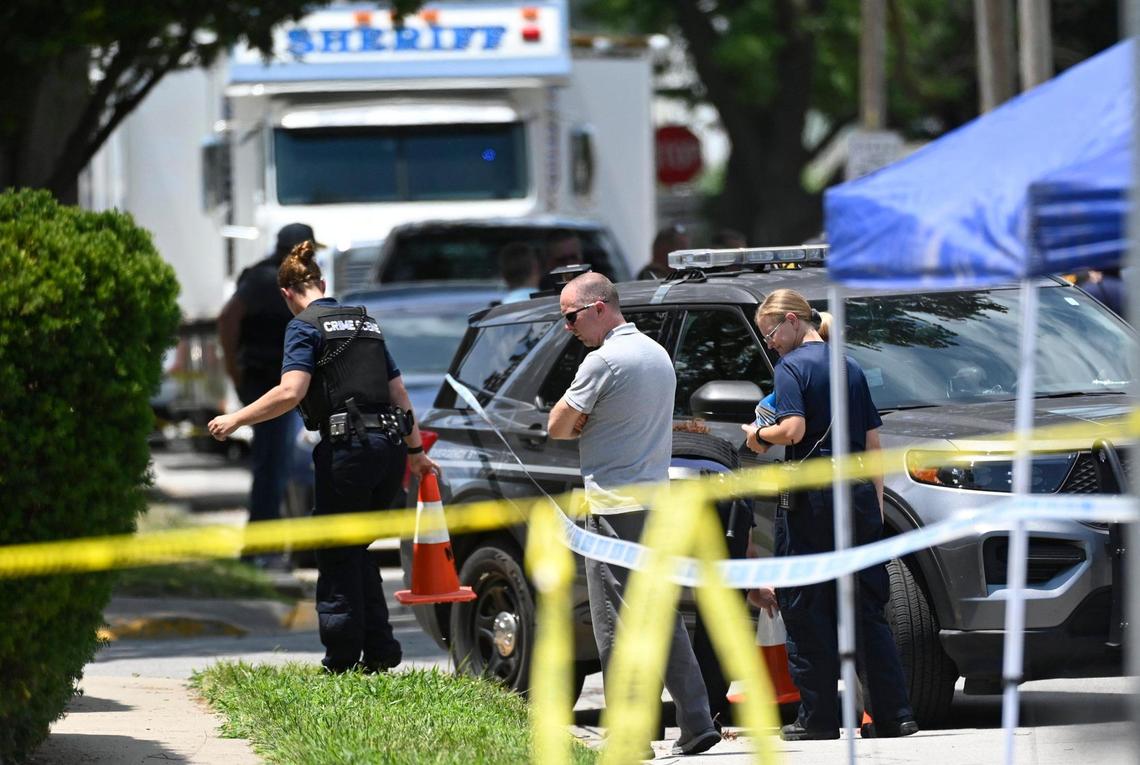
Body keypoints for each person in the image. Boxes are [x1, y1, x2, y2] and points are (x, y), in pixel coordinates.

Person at [208, 240, 439, 674]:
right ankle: (381, 651)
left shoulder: (302, 326)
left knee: (335, 551)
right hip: (388, 451)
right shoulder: (366, 323)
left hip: (348, 452)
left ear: (286, 294)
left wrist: (237, 418)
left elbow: (290, 392)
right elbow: (399, 394)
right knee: (355, 547)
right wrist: (416, 455)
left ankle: (341, 659)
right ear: (324, 283)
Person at [547, 272, 720, 758]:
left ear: (599, 307)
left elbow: (558, 425)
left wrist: (582, 418)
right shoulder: (656, 354)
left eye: (571, 316)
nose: (568, 327)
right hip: (657, 504)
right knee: (662, 616)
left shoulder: (602, 361)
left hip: (614, 508)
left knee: (615, 623)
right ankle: (697, 721)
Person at [740, 288, 916, 741]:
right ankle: (895, 714)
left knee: (805, 606)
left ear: (794, 321)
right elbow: (874, 444)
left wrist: (759, 436)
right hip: (856, 493)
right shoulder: (850, 365)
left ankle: (816, 719)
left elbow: (793, 428)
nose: (770, 343)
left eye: (772, 332)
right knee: (865, 608)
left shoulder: (791, 368)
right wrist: (874, 508)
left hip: (812, 496)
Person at [217, 223, 313, 567]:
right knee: (272, 467)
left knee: (276, 466)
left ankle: (262, 547)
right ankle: (260, 550)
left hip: (280, 386)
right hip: (269, 385)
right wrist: (234, 372)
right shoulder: (264, 279)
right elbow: (228, 319)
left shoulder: (284, 279)